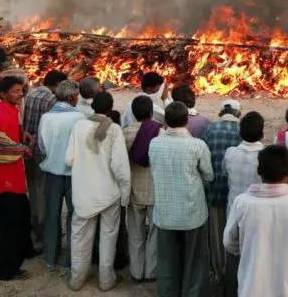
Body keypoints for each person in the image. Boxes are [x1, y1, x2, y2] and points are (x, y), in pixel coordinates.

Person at [223, 144, 288, 297]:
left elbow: (229, 242)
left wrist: (248, 247)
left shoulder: (242, 203)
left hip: (252, 288)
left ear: (259, 171)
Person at [65, 92, 131, 291]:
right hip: (108, 193)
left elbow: (69, 159)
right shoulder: (114, 130)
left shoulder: (78, 126)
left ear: (93, 107)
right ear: (110, 108)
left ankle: (77, 279)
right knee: (108, 237)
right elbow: (119, 167)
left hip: (83, 193)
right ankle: (106, 280)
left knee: (80, 237)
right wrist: (125, 193)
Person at [149, 102, 214, 297]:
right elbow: (208, 176)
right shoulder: (197, 145)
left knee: (168, 261)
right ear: (186, 120)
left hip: (165, 214)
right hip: (192, 213)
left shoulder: (155, 144)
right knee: (195, 261)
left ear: (166, 121)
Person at [0, 76, 35, 281]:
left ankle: (16, 260)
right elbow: (3, 148)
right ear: (3, 94)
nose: (20, 94)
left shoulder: (9, 110)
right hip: (7, 178)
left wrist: (21, 133)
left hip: (9, 176)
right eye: (16, 91)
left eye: (21, 90)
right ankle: (7, 270)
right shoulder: (4, 114)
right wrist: (24, 149)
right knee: (12, 224)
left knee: (17, 220)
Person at [38, 80, 87, 273]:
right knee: (74, 217)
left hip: (52, 172)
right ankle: (70, 260)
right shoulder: (79, 117)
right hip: (74, 173)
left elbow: (41, 146)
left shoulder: (46, 117)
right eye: (76, 96)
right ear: (71, 97)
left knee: (52, 215)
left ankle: (51, 257)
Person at [221, 111, 265, 296]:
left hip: (234, 209)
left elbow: (224, 172)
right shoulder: (264, 156)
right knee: (254, 257)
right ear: (262, 133)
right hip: (257, 214)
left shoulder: (231, 153)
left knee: (233, 255)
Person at [22, 69, 67, 243]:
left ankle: (35, 224)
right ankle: (43, 230)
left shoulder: (30, 95)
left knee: (32, 190)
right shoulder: (51, 100)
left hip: (27, 148)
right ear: (56, 85)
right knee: (43, 192)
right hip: (41, 151)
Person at [201, 99, 242, 285]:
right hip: (237, 196)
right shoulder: (243, 130)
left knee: (217, 237)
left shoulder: (210, 129)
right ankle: (235, 276)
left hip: (214, 192)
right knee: (236, 237)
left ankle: (219, 273)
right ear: (238, 113)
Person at [122, 95, 162, 283]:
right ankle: (151, 271)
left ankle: (136, 271)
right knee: (154, 234)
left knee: (136, 234)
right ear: (151, 112)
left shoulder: (125, 133)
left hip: (134, 191)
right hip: (154, 191)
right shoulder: (160, 133)